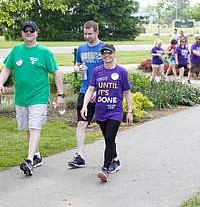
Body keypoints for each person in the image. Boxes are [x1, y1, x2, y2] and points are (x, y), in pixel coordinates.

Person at [0, 20, 65, 176]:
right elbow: (7, 68)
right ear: (22, 33)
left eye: (31, 31)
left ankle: (29, 160)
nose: (28, 33)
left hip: (39, 97)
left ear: (36, 33)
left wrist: (61, 95)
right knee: (28, 128)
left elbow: (56, 73)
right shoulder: (16, 50)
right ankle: (36, 156)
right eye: (25, 31)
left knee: (35, 127)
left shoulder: (44, 52)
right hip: (21, 97)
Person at [80, 43, 133, 182]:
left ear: (114, 54)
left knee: (109, 138)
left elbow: (127, 93)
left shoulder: (121, 72)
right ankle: (115, 160)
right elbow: (90, 89)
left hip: (115, 111)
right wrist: (85, 105)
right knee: (108, 138)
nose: (106, 55)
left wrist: (130, 111)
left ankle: (105, 168)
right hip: (101, 111)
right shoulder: (97, 71)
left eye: (109, 53)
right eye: (104, 53)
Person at [67, 20, 105, 168]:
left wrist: (99, 90)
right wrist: (78, 68)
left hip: (102, 92)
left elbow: (109, 69)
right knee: (81, 123)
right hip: (85, 91)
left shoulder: (104, 48)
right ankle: (80, 156)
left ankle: (113, 157)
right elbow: (77, 65)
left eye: (90, 33)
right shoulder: (81, 49)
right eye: (85, 33)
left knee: (105, 126)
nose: (87, 36)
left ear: (97, 32)